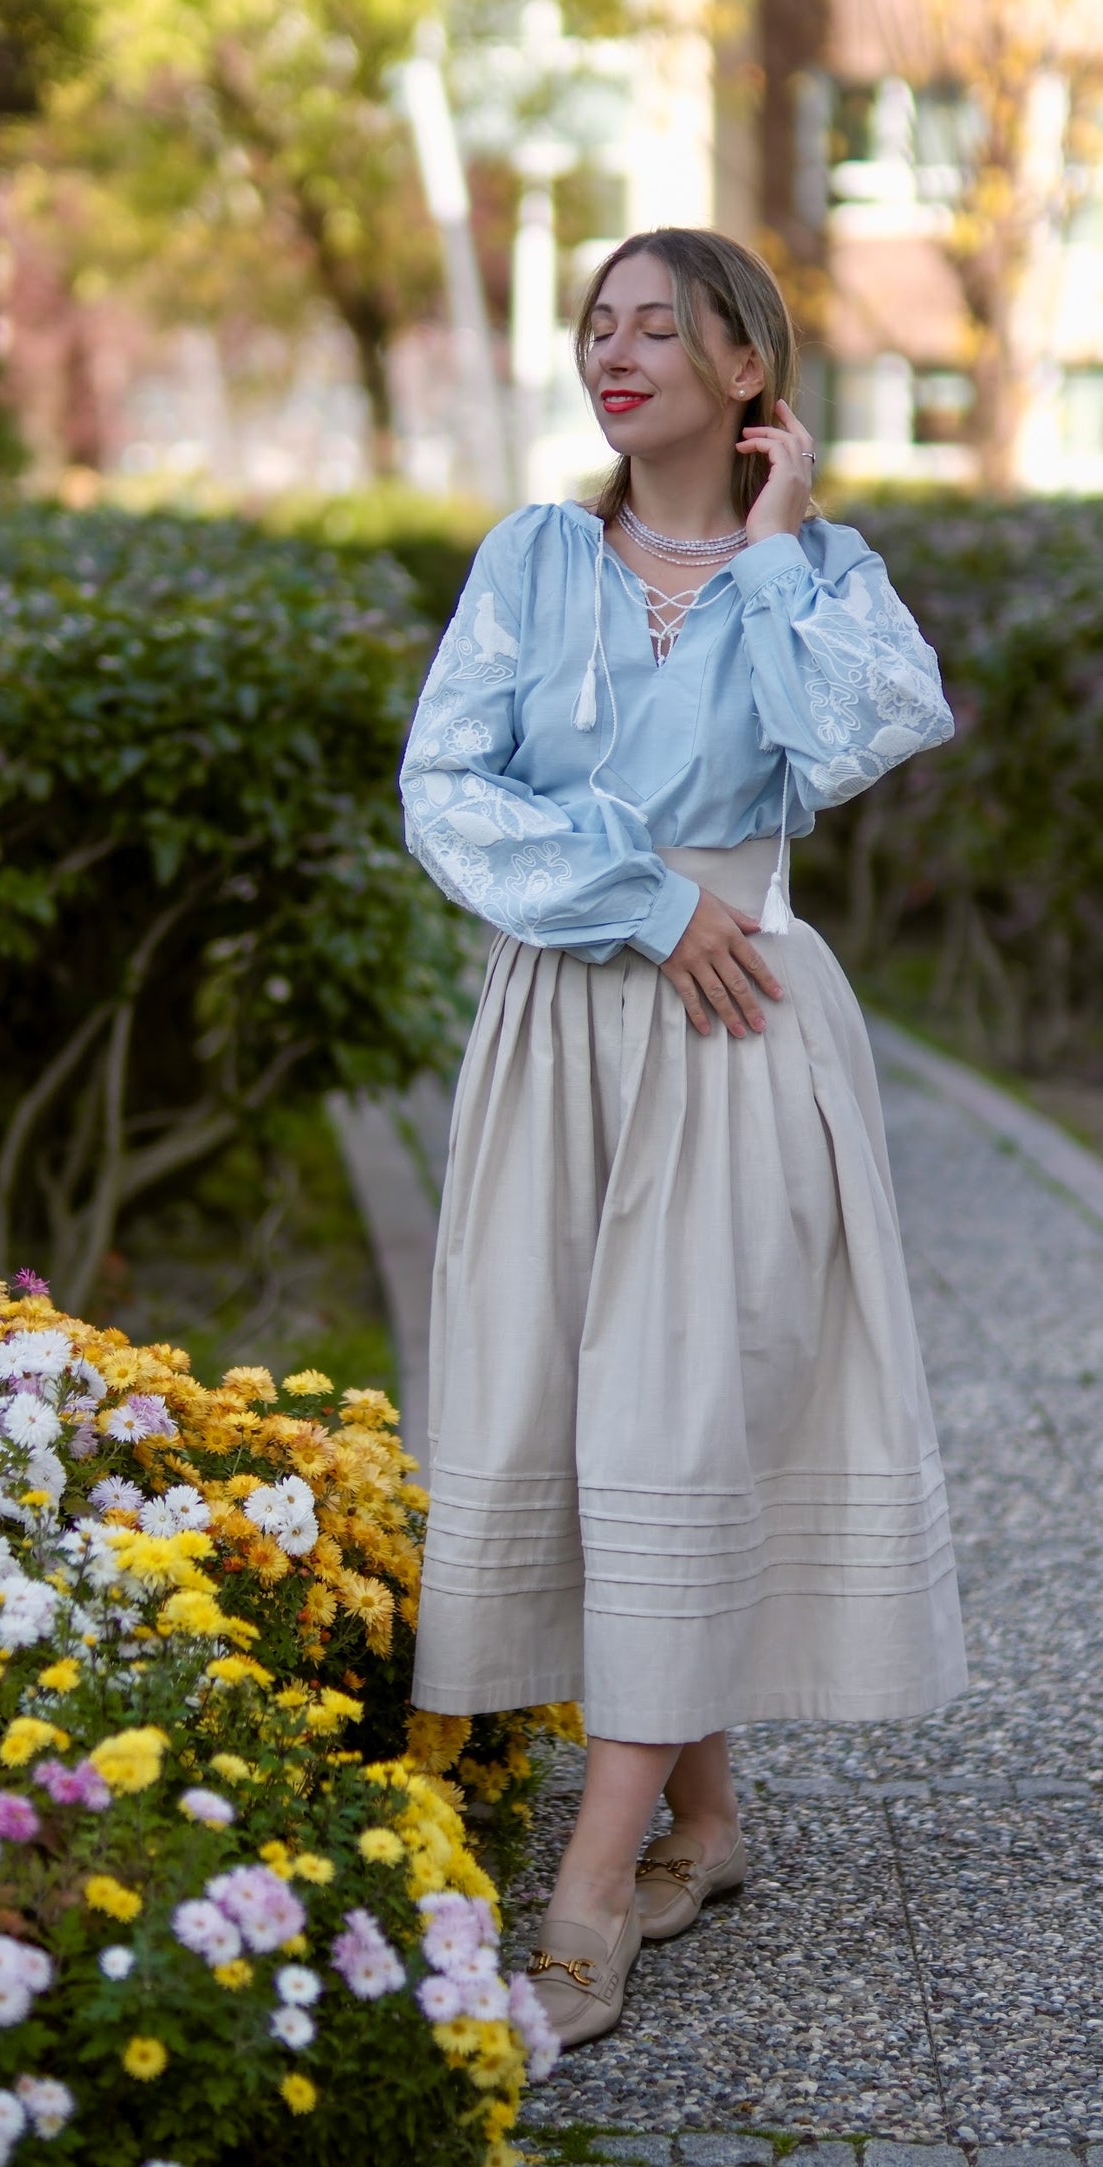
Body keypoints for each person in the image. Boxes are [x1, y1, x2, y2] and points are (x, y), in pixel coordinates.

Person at [398, 227, 968, 2050]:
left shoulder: (819, 578)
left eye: (660, 325)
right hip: (565, 1018)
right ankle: (702, 1822)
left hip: (738, 1042)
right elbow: (446, 791)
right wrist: (639, 902)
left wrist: (782, 539)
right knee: (591, 1418)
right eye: (598, 324)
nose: (614, 351)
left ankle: (588, 1892)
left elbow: (844, 742)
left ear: (746, 373)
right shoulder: (531, 558)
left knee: (676, 1410)